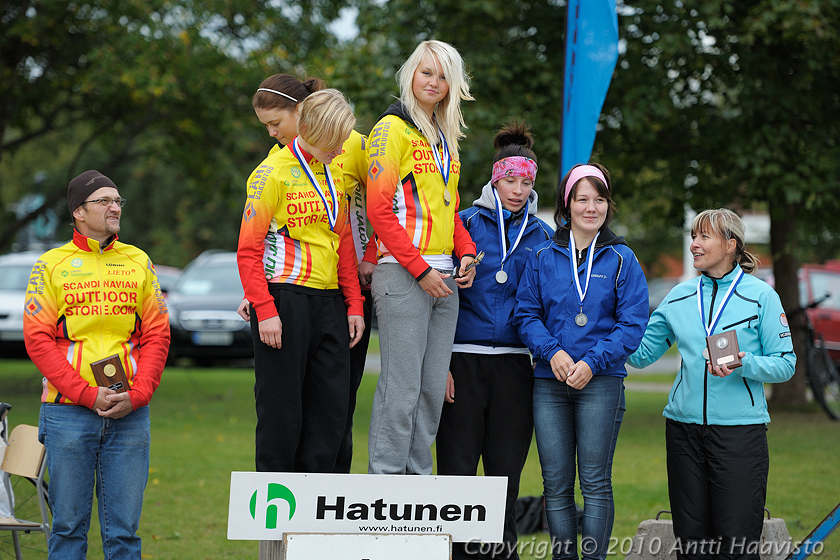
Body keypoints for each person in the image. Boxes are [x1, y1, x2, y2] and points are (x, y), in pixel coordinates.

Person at [627, 209, 795, 560]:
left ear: (730, 244)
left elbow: (786, 365)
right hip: (683, 432)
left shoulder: (761, 297)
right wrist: (610, 322)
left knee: (736, 544)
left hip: (739, 434)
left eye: (704, 237)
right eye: (693, 236)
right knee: (692, 544)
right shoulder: (679, 295)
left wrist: (743, 362)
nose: (694, 245)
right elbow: (641, 355)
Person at [23, 170, 170, 559]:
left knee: (124, 534)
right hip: (68, 413)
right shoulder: (50, 264)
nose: (115, 207)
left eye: (118, 200)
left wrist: (138, 395)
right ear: (78, 212)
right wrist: (87, 394)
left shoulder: (138, 260)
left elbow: (157, 334)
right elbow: (38, 340)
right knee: (68, 530)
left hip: (129, 414)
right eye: (104, 201)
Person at [240, 74, 375, 473]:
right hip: (284, 299)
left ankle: (321, 520)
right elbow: (249, 250)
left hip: (332, 302)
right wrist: (264, 309)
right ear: (313, 130)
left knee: (332, 414)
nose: (342, 152)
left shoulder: (332, 170)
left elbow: (345, 245)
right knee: (283, 414)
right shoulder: (270, 173)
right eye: (336, 144)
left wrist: (354, 304)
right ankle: (275, 526)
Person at [514, 163, 648, 560]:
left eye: (599, 199)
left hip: (601, 383)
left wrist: (591, 362)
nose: (592, 208)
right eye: (582, 199)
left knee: (594, 482)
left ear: (609, 204)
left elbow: (632, 324)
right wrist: (551, 352)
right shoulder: (542, 255)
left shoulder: (622, 259)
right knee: (555, 484)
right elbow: (526, 314)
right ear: (566, 205)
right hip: (549, 383)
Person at [436, 121, 553, 560]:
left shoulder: (544, 238)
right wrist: (439, 362)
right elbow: (439, 298)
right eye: (510, 180)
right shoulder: (461, 224)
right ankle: (456, 553)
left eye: (526, 181)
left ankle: (502, 553)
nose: (518, 190)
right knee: (457, 469)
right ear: (494, 177)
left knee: (505, 471)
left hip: (516, 365)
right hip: (461, 360)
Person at [366, 39, 477, 475]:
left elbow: (450, 210)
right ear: (411, 74)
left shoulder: (446, 137)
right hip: (403, 274)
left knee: (431, 390)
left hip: (445, 278)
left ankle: (418, 486)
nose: (434, 82)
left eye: (444, 75)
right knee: (402, 387)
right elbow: (378, 211)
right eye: (426, 72)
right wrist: (420, 269)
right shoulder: (390, 130)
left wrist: (466, 253)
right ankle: (386, 487)